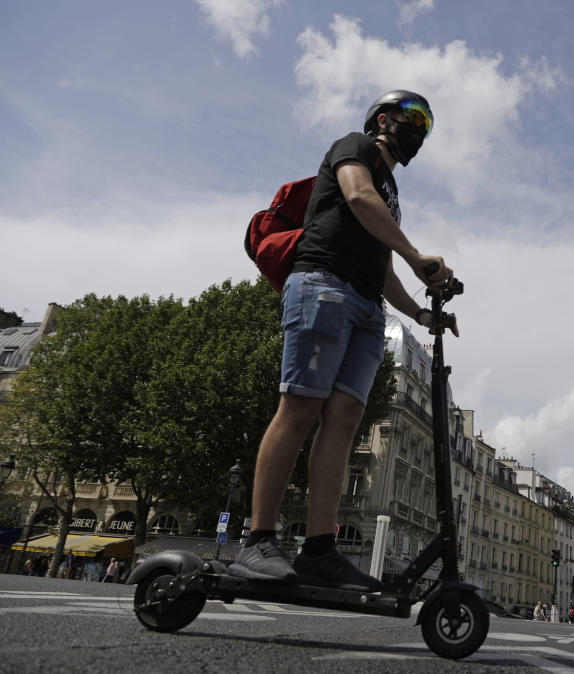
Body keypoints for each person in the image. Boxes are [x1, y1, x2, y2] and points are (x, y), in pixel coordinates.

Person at [228, 91, 454, 588]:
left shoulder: (390, 190)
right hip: (324, 286)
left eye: (428, 124)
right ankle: (258, 539)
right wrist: (420, 258)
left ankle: (319, 551)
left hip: (367, 307)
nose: (420, 129)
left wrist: (417, 311)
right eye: (413, 116)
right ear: (382, 118)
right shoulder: (354, 147)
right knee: (300, 408)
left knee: (346, 419)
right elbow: (356, 196)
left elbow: (383, 262)